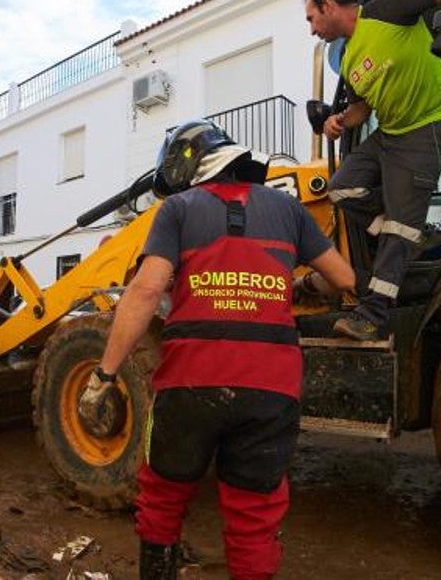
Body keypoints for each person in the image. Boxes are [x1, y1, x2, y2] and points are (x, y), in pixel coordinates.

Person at [79, 122, 355, 579]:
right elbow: (343, 280)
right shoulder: (290, 211)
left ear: (186, 167)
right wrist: (298, 283)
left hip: (190, 382)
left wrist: (105, 375)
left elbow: (146, 290)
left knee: (163, 497)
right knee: (254, 516)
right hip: (272, 388)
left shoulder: (178, 210)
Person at [304, 0, 441, 340]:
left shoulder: (388, 9)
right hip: (390, 133)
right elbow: (362, 109)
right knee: (342, 188)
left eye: (311, 18)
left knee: (399, 227)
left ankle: (372, 314)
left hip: (428, 126)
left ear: (328, 6)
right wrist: (337, 121)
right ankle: (410, 237)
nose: (312, 30)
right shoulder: (351, 56)